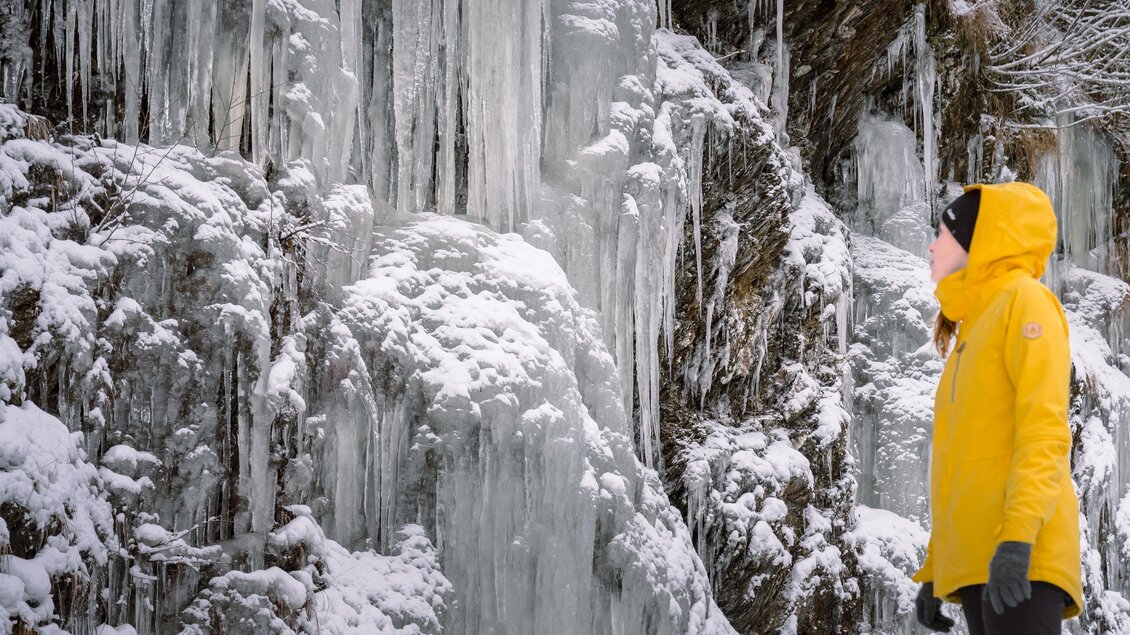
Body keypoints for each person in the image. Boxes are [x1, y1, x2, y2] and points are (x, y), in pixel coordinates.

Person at [910, 182, 1083, 634]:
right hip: (977, 560)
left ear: (979, 240)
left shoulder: (1025, 302)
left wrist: (1018, 538)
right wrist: (936, 568)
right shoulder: (972, 328)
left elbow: (1044, 430)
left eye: (943, 234)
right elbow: (960, 466)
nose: (931, 245)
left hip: (1019, 552)